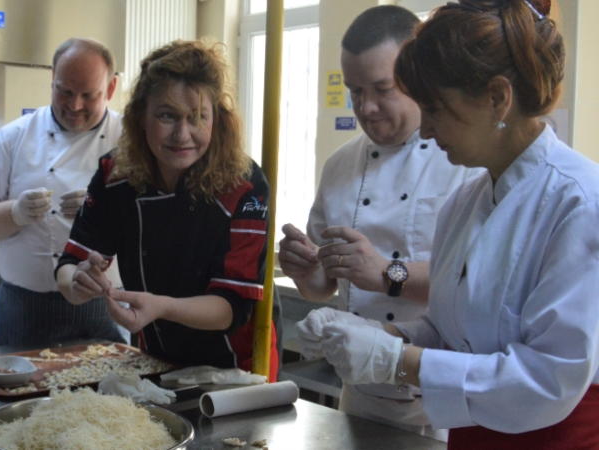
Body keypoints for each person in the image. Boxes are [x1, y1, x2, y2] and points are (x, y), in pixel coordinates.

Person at [311, 1, 599, 448]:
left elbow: (549, 380)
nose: (424, 130)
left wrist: (397, 360)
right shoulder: (467, 203)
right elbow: (451, 331)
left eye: (437, 109)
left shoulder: (578, 202)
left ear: (498, 98)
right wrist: (376, 335)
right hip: (471, 433)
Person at [279, 5, 480, 439]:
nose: (366, 107)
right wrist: (306, 269)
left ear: (417, 75)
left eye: (382, 89)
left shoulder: (464, 160)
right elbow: (323, 288)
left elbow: (475, 281)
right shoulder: (339, 165)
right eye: (354, 91)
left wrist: (387, 274)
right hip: (361, 392)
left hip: (440, 396)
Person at [56, 40, 280, 381]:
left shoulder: (244, 186)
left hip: (236, 371)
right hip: (154, 360)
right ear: (141, 116)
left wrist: (160, 307)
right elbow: (70, 264)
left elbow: (232, 306)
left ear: (216, 120)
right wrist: (78, 283)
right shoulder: (116, 176)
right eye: (167, 116)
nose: (182, 135)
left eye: (197, 117)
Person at [0, 38, 126, 346]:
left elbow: (157, 227)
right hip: (22, 307)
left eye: (88, 95)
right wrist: (15, 212)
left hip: (105, 305)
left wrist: (104, 212)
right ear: (52, 78)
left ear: (110, 89)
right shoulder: (14, 136)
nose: (75, 105)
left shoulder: (132, 141)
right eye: (64, 91)